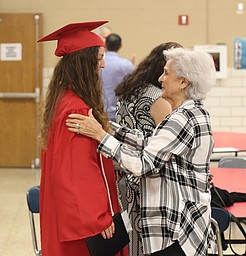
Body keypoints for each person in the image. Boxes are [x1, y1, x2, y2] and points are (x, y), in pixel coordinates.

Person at [66, 47, 216, 256]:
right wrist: (107, 127)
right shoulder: (193, 112)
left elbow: (143, 164)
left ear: (184, 82)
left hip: (178, 231)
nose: (160, 78)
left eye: (166, 73)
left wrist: (101, 136)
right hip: (186, 227)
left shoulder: (182, 119)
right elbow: (150, 143)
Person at [38, 20, 127, 256]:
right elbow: (77, 172)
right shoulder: (75, 110)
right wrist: (98, 218)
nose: (103, 64)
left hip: (69, 214)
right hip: (83, 224)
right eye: (98, 57)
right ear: (83, 61)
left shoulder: (64, 100)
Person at [115, 42, 183, 256]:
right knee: (148, 244)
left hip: (123, 175)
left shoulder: (128, 91)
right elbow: (167, 146)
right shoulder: (158, 98)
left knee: (130, 238)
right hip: (147, 181)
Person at [101, 33, 135, 121]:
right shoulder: (126, 65)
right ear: (121, 46)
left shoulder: (95, 63)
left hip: (98, 112)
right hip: (118, 114)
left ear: (105, 45)